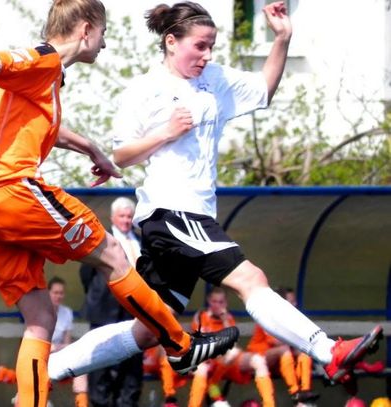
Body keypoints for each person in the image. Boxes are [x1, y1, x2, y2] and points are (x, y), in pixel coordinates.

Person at [47, 0, 382, 393]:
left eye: (211, 47)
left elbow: (264, 90)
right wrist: (166, 132)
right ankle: (327, 350)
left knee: (150, 328)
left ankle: (52, 367)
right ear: (171, 42)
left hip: (193, 216)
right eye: (200, 46)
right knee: (251, 278)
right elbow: (121, 155)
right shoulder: (145, 88)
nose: (207, 55)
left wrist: (281, 38)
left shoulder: (215, 79)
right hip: (172, 212)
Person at [0, 1, 238, 405]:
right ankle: (179, 345)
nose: (104, 44)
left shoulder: (44, 84)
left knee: (40, 317)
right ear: (86, 30)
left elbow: (48, 128)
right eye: (103, 34)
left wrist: (91, 149)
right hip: (11, 191)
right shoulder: (44, 59)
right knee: (113, 254)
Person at [79, 197, 144, 407]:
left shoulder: (141, 241)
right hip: (105, 308)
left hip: (135, 309)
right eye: (122, 216)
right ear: (112, 217)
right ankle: (100, 403)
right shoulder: (101, 239)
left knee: (132, 360)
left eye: (129, 216)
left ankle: (127, 402)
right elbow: (86, 272)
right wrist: (100, 294)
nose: (126, 220)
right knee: (101, 360)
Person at [188, 287, 275, 407]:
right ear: (209, 301)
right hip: (209, 361)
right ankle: (211, 390)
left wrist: (225, 321)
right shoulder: (201, 317)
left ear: (226, 303)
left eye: (221, 302)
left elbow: (232, 344)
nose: (217, 305)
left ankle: (269, 404)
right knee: (203, 367)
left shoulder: (228, 318)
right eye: (214, 301)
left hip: (228, 362)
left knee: (258, 360)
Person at [246, 287, 318, 405]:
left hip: (281, 360)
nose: (294, 305)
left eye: (294, 301)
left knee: (303, 351)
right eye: (290, 301)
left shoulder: (293, 319)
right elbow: (276, 342)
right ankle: (294, 391)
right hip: (259, 356)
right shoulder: (267, 316)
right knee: (284, 349)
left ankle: (305, 391)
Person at [48, 277, 88, 407]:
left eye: (61, 293)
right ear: (48, 293)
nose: (58, 296)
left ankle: (81, 402)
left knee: (81, 364)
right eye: (55, 292)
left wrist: (57, 348)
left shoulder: (67, 312)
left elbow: (67, 342)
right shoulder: (41, 311)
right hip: (43, 355)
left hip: (59, 352)